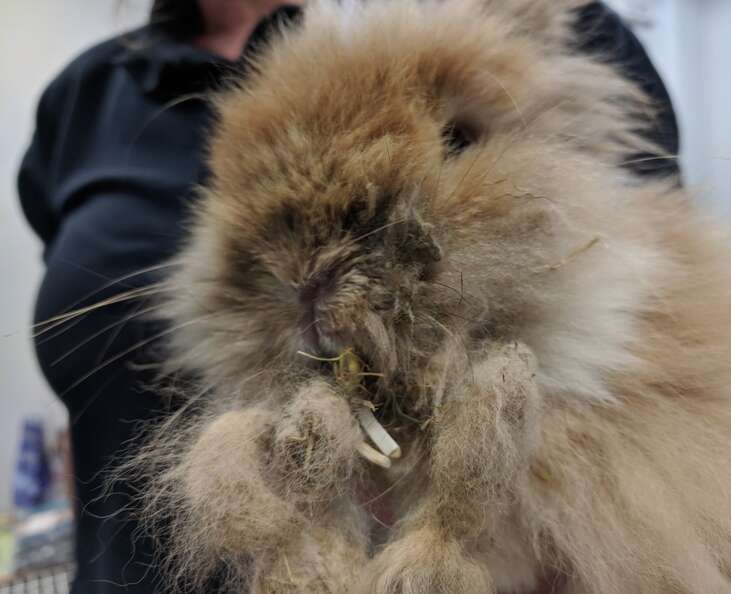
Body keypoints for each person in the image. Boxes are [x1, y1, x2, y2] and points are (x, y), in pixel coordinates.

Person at [17, 2, 679, 592]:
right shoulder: (84, 94)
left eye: (456, 140)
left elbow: (656, 289)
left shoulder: (558, 28)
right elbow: (90, 372)